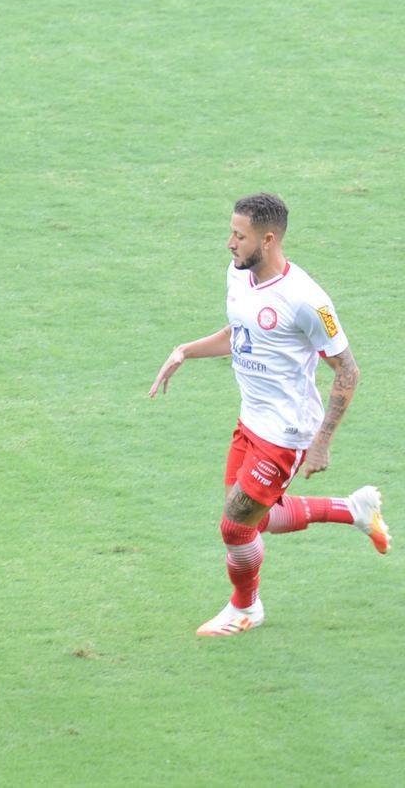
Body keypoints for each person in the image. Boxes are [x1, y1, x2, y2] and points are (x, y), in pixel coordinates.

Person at [149, 192, 389, 636]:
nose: (230, 243)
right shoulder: (238, 275)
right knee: (256, 519)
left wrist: (321, 442)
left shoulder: (307, 301)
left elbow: (348, 370)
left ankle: (245, 608)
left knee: (235, 528)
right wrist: (185, 351)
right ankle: (354, 510)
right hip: (250, 420)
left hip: (286, 433)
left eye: (239, 236)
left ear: (269, 238)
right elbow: (239, 332)